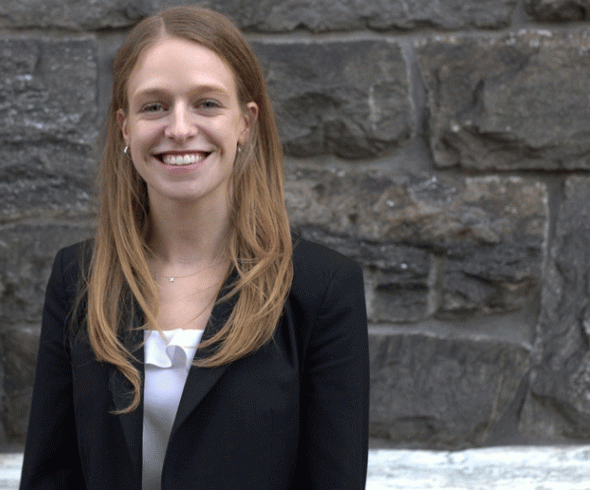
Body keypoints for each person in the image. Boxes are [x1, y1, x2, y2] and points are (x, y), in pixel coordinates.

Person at [19, 6, 368, 490]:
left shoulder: (321, 290)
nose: (179, 128)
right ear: (125, 127)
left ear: (246, 123)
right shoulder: (78, 278)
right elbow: (49, 477)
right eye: (154, 106)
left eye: (206, 103)